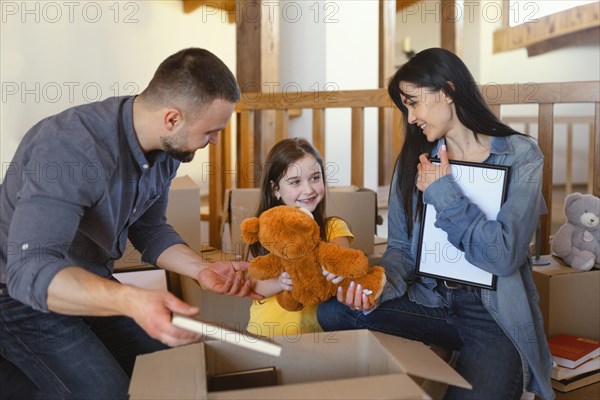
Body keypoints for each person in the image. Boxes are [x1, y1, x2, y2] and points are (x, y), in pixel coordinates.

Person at [0, 48, 262, 399]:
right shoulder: (69, 149)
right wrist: (132, 300)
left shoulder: (167, 150)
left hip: (89, 280)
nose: (214, 141)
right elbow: (29, 270)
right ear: (172, 119)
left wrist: (201, 270)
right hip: (18, 297)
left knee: (168, 373)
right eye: (212, 131)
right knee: (112, 393)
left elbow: (149, 229)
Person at [317, 48, 555, 400]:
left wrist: (443, 191)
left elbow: (503, 255)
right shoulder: (413, 160)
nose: (410, 117)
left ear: (447, 90)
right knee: (334, 310)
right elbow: (399, 250)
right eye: (406, 106)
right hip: (430, 302)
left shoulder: (520, 155)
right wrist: (376, 284)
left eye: (414, 102)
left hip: (490, 314)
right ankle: (442, 350)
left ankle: (471, 359)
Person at [245, 138, 354, 338]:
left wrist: (336, 269)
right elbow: (254, 284)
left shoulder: (334, 228)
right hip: (266, 336)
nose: (308, 189)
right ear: (275, 189)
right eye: (295, 182)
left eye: (315, 178)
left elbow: (341, 257)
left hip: (318, 337)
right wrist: (281, 282)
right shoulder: (262, 233)